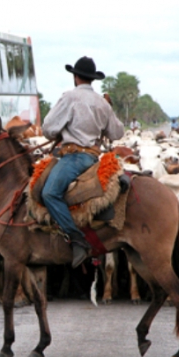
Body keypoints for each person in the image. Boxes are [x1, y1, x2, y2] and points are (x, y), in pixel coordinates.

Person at [42, 56, 125, 268]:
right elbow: (116, 133)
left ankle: (77, 239)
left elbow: (48, 129)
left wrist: (64, 129)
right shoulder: (102, 102)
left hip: (74, 158)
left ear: (75, 77)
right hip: (93, 158)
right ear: (92, 79)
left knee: (49, 193)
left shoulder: (69, 97)